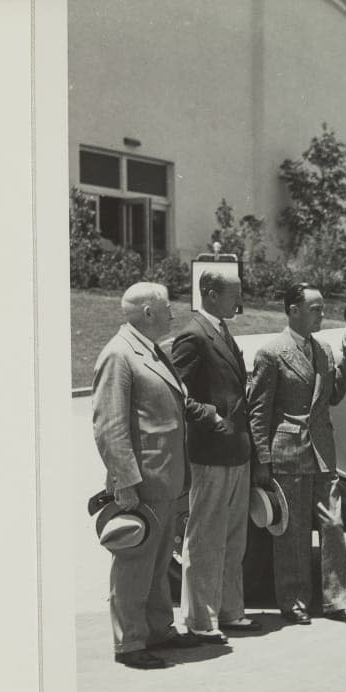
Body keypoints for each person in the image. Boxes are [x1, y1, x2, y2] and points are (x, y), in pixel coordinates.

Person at [92, 282, 228, 669]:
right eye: (167, 308)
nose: (173, 313)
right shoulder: (119, 355)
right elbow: (109, 426)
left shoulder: (150, 351)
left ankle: (158, 630)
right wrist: (126, 482)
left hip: (165, 478)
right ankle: (130, 643)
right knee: (134, 564)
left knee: (154, 567)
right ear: (148, 313)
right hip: (142, 480)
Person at [249, 283, 346, 626]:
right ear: (293, 310)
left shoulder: (324, 350)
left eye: (321, 308)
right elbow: (258, 411)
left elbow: (331, 397)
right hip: (287, 452)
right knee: (293, 532)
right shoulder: (270, 353)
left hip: (321, 451)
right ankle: (294, 600)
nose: (322, 313)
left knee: (333, 524)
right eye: (315, 308)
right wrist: (262, 459)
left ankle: (337, 601)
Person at [170, 269, 261, 639]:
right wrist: (210, 416)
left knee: (234, 537)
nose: (238, 302)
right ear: (209, 294)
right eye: (233, 294)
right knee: (206, 537)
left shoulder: (221, 329)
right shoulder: (192, 336)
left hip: (236, 450)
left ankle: (229, 610)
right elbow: (177, 392)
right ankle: (199, 619)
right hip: (210, 452)